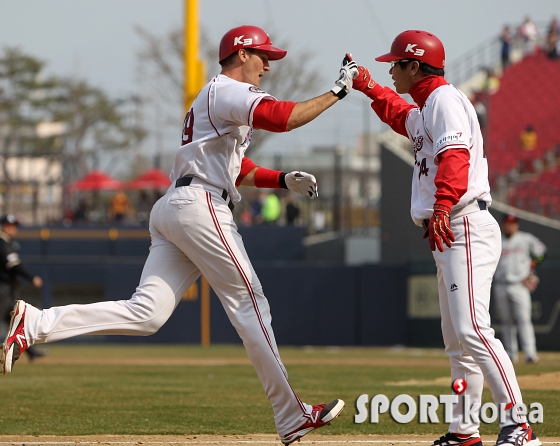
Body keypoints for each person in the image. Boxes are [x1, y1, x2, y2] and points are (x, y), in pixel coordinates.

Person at [1, 25, 357, 445]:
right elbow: (282, 118)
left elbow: (235, 168)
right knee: (250, 302)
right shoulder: (226, 89)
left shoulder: (216, 98)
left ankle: (37, 322)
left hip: (179, 204)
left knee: (146, 314)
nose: (268, 66)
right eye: (264, 56)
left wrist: (281, 179)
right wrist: (338, 91)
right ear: (241, 54)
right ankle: (291, 413)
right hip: (200, 206)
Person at [351, 30, 541, 446]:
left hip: (463, 220)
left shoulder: (444, 100)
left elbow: (456, 157)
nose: (391, 69)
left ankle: (520, 426)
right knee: (457, 339)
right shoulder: (426, 106)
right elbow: (399, 114)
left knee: (473, 328)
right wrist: (367, 85)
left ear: (414, 66)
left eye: (395, 64)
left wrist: (441, 204)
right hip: (450, 225)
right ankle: (464, 431)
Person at [493, 215, 546, 364]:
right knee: (506, 321)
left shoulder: (525, 238)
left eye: (513, 224)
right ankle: (511, 354)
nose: (510, 226)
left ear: (517, 225)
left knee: (524, 320)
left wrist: (533, 266)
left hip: (519, 285)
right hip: (500, 284)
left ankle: (530, 353)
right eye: (507, 224)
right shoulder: (498, 239)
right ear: (503, 225)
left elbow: (542, 252)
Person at [0, 215, 48, 361]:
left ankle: (30, 351)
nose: (12, 228)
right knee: (14, 318)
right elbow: (14, 266)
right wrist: (32, 277)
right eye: (9, 225)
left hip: (6, 288)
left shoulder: (6, 242)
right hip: (1, 289)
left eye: (14, 225)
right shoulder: (2, 243)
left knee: (16, 319)